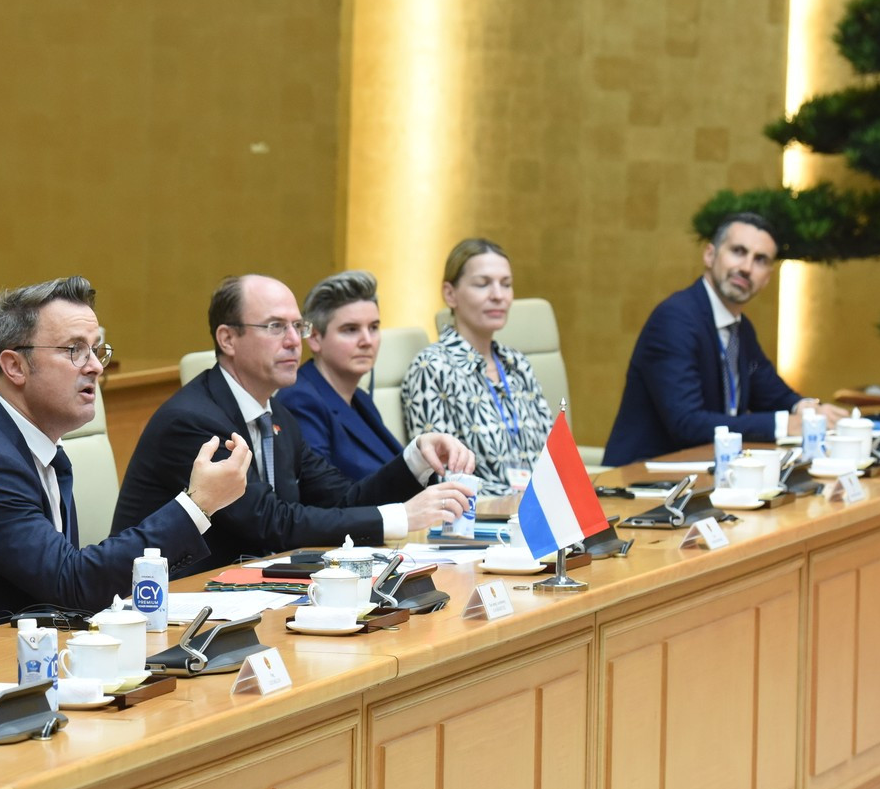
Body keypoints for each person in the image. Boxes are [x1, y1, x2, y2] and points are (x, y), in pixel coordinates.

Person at [0, 277, 251, 641]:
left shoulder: (31, 444)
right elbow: (73, 584)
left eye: (96, 349)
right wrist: (197, 505)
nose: (95, 366)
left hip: (14, 651)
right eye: (74, 350)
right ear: (14, 366)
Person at [111, 275, 478, 574]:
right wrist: (401, 516)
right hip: (164, 603)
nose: (293, 342)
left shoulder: (277, 415)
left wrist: (416, 458)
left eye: (296, 326)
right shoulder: (194, 421)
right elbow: (271, 523)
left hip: (250, 594)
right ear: (228, 339)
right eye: (275, 327)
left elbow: (344, 500)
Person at [602, 213, 845, 467]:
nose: (747, 267)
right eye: (738, 251)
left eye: (760, 260)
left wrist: (806, 409)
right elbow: (687, 424)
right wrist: (785, 424)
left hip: (708, 473)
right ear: (710, 255)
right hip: (644, 477)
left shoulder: (740, 329)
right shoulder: (674, 320)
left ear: (767, 277)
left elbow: (772, 393)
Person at [400, 240, 557, 493]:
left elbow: (555, 455)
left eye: (506, 284)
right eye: (483, 284)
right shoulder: (432, 368)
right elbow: (441, 477)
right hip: (482, 513)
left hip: (538, 507)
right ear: (450, 294)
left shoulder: (517, 363)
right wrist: (523, 498)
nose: (498, 295)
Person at [274, 270, 407, 482]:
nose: (367, 341)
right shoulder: (300, 400)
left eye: (373, 327)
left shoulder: (360, 398)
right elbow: (322, 492)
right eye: (351, 329)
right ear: (314, 338)